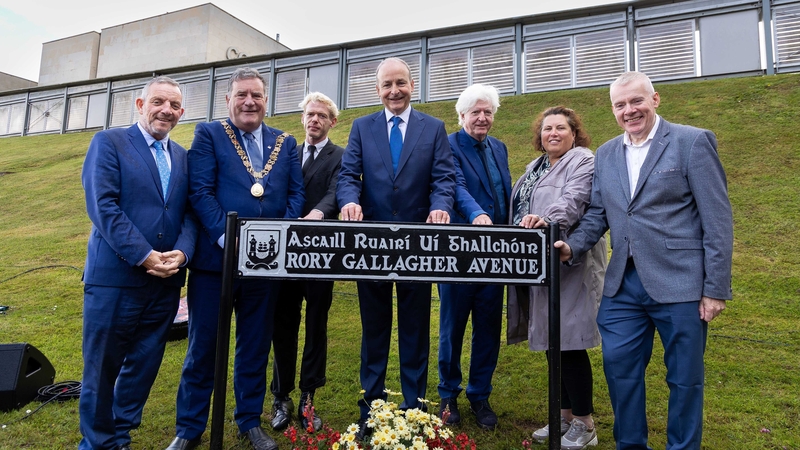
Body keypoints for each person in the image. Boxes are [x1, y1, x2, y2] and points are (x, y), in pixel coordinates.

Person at [555, 71, 733, 449]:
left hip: (682, 284)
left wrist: (714, 289)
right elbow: (599, 213)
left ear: (655, 100)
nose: (629, 110)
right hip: (623, 286)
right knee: (619, 370)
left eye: (636, 101)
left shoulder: (692, 142)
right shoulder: (605, 153)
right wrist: (572, 247)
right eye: (620, 105)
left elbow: (717, 220)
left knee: (685, 378)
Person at [167, 67, 304, 450]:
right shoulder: (209, 134)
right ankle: (190, 428)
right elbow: (201, 192)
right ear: (227, 100)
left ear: (266, 100)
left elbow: (295, 196)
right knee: (203, 346)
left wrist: (278, 238)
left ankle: (248, 420)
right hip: (216, 264)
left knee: (255, 344)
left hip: (266, 265)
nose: (249, 101)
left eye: (256, 95)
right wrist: (230, 240)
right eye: (241, 94)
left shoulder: (285, 142)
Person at [336, 57, 456, 439]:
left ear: (412, 85)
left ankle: (414, 409)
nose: (394, 91)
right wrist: (348, 201)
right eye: (386, 84)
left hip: (417, 247)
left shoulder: (433, 128)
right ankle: (371, 409)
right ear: (377, 90)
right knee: (374, 329)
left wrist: (440, 206)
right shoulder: (361, 127)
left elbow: (444, 177)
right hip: (370, 246)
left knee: (415, 329)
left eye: (400, 83)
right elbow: (347, 175)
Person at [79, 76, 197, 450]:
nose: (166, 110)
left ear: (181, 112)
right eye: (158, 101)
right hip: (115, 280)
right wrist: (144, 255)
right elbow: (104, 207)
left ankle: (120, 436)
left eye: (174, 105)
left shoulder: (181, 155)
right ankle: (97, 443)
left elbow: (188, 214)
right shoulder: (109, 142)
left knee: (142, 367)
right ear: (139, 104)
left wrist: (183, 252)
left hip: (164, 284)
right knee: (102, 369)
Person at [507, 106, 607, 449]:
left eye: (561, 128)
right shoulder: (535, 167)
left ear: (574, 133)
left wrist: (545, 220)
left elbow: (574, 200)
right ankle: (562, 417)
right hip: (539, 265)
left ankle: (585, 423)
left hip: (569, 263)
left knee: (571, 343)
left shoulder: (584, 161)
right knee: (554, 343)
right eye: (547, 128)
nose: (553, 133)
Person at [437, 84, 511, 431]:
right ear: (462, 115)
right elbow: (456, 188)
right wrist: (477, 214)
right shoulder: (448, 145)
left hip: (495, 256)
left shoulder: (499, 147)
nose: (482, 118)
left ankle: (480, 394)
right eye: (475, 112)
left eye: (488, 112)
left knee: (488, 328)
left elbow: (505, 195)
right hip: (460, 253)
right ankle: (448, 393)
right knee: (452, 327)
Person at [269, 92, 344, 433]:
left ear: (332, 121)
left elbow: (336, 192)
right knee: (282, 325)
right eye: (310, 114)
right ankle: (280, 397)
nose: (314, 120)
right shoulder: (287, 154)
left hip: (319, 255)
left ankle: (308, 398)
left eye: (321, 116)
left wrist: (319, 211)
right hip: (284, 255)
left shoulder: (340, 156)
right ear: (302, 119)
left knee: (316, 326)